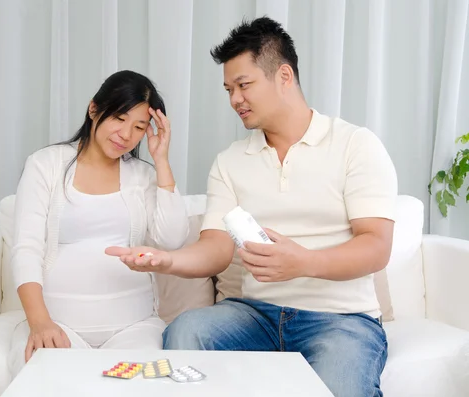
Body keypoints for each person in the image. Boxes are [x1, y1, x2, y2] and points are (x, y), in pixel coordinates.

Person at [105, 17, 397, 397]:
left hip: (341, 319)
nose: (234, 100)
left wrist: (304, 262)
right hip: (253, 315)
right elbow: (216, 248)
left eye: (244, 85)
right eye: (229, 89)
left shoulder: (356, 145)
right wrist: (166, 260)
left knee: (342, 386)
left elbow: (377, 245)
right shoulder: (230, 161)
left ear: (284, 76)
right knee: (187, 330)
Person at [8, 70, 189, 377]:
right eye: (119, 118)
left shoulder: (143, 175)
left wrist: (161, 161)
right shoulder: (45, 164)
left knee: (147, 384)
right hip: (59, 323)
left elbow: (171, 240)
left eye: (138, 127)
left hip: (133, 326)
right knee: (42, 381)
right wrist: (40, 323)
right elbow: (26, 248)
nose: (126, 135)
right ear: (94, 109)